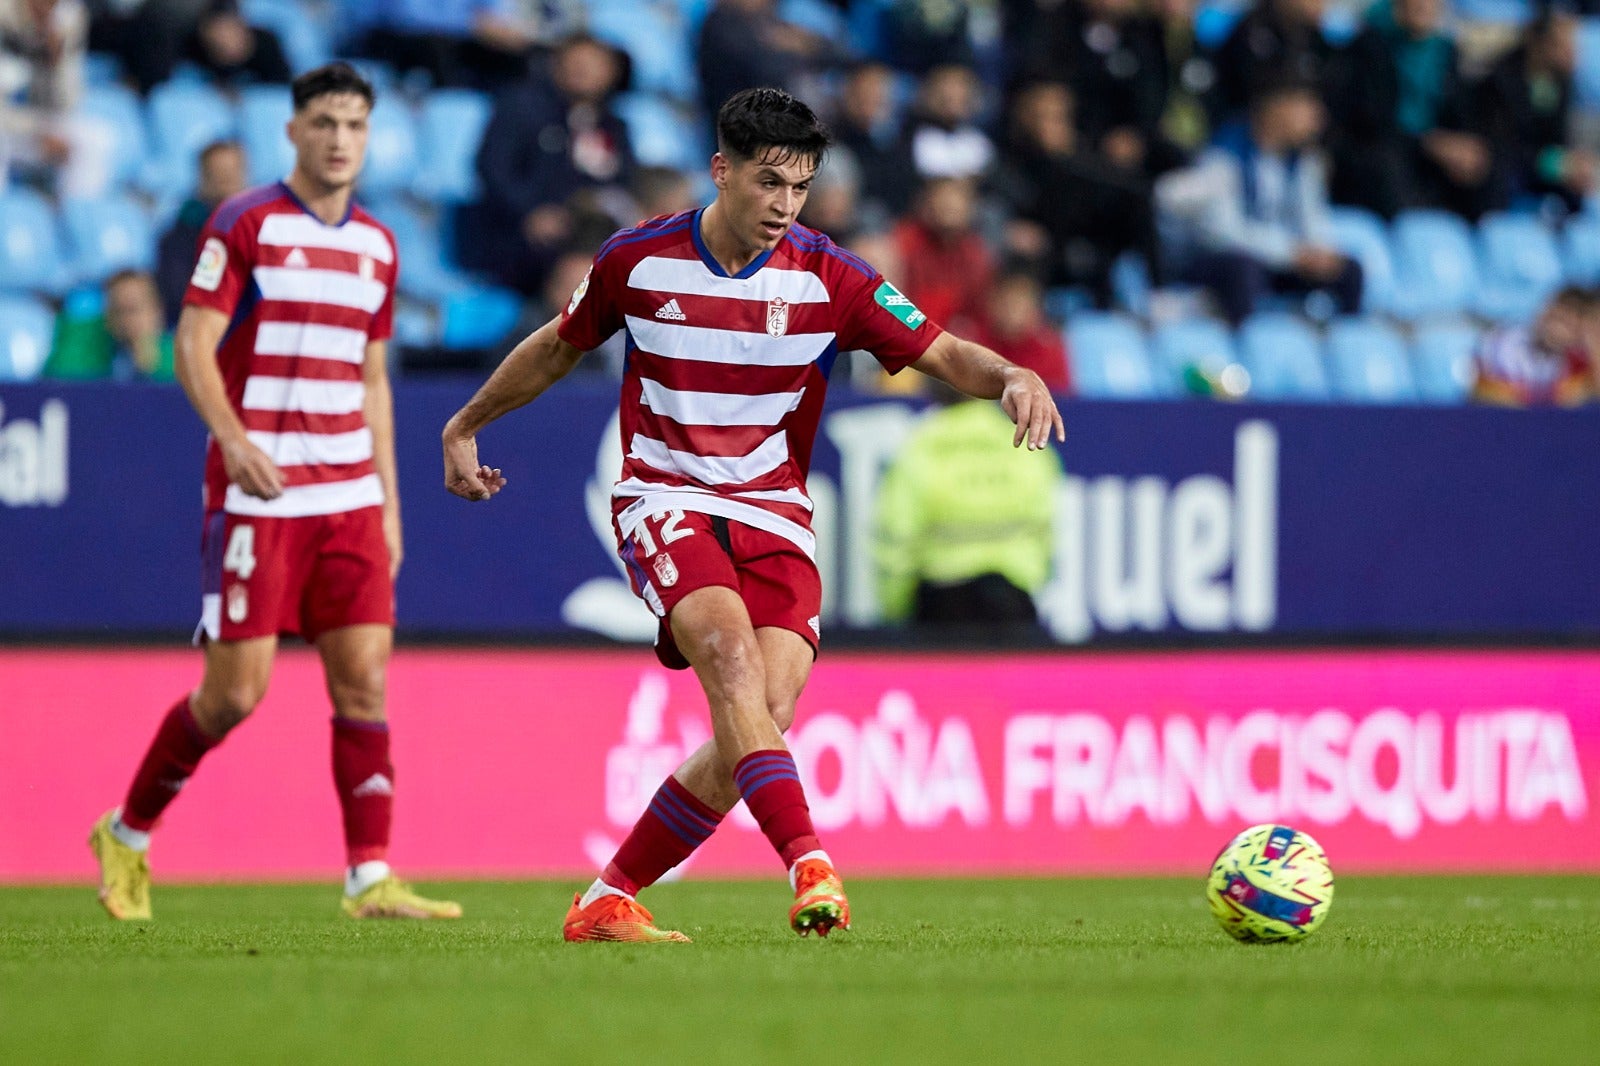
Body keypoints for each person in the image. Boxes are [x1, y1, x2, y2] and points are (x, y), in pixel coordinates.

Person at [441, 87, 1063, 942]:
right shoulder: (638, 260)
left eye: (800, 188)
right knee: (729, 661)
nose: (784, 205)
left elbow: (945, 351)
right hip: (665, 495)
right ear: (721, 169)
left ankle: (604, 900)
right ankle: (812, 865)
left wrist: (1012, 378)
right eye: (769, 182)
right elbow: (557, 346)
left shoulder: (831, 276)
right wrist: (467, 422)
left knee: (759, 721)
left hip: (772, 510)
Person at [87, 63, 460, 923]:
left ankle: (370, 877)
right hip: (262, 496)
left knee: (364, 682)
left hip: (352, 497)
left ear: (370, 138)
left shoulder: (379, 245)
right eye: (324, 122)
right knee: (235, 694)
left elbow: (373, 379)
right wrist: (233, 439)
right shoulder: (245, 222)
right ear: (292, 130)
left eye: (355, 126)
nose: (339, 140)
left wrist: (391, 504)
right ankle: (127, 832)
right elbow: (192, 342)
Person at [1159, 76, 1361, 325]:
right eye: (1306, 105)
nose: (1318, 116)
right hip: (1218, 259)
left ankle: (1341, 346)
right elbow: (1223, 232)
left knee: (1348, 270)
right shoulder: (1224, 156)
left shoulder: (1305, 161)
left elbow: (1312, 217)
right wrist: (1291, 253)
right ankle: (1246, 345)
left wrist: (1318, 252)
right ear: (1276, 107)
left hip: (1281, 258)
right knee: (1242, 270)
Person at [874, 380, 1064, 637]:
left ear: (935, 392)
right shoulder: (1023, 443)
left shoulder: (919, 447)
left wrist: (896, 608)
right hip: (1011, 599)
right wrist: (1032, 580)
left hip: (939, 604)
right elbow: (1046, 525)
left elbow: (896, 536)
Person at [468, 32, 633, 295]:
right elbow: (493, 169)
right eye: (576, 62)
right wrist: (530, 213)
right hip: (522, 235)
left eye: (593, 65)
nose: (582, 71)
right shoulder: (521, 108)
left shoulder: (614, 126)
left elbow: (623, 182)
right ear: (557, 64)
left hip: (589, 230)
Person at [1328, 0, 1498, 219]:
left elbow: (1460, 114)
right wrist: (1425, 143)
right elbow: (1370, 121)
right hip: (1384, 150)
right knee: (1386, 165)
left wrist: (1461, 147)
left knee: (1483, 160)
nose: (1424, 6)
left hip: (1431, 154)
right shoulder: (1371, 46)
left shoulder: (1447, 53)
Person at [1476, 9, 1592, 217]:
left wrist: (1570, 163)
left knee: (1579, 187)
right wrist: (1552, 163)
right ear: (1537, 42)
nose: (1571, 53)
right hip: (1504, 170)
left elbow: (1559, 140)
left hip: (1539, 167)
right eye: (1561, 45)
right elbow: (1500, 145)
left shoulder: (1562, 83)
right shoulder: (1499, 80)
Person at [1, 0, 114, 199]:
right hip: (9, 123)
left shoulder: (69, 19)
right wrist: (34, 130)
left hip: (40, 121)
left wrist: (56, 60)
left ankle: (76, 219)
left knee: (97, 140)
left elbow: (68, 102)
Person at [156, 140, 248, 327]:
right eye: (219, 177)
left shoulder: (267, 228)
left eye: (231, 175)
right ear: (202, 179)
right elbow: (183, 295)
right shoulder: (179, 239)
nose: (227, 186)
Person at [1471, 285, 1596, 407]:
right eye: (1557, 318)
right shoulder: (1499, 343)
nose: (1556, 329)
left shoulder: (1577, 364)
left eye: (1568, 326)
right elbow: (1483, 393)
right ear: (1546, 311)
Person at [43, 269, 176, 382]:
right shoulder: (89, 343)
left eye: (133, 309)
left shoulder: (180, 357)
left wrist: (151, 369)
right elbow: (57, 383)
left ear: (157, 311)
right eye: (118, 311)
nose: (127, 320)